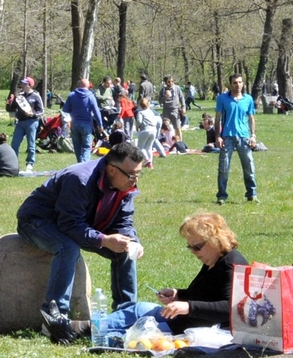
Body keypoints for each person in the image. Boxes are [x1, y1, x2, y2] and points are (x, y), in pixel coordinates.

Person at [16, 142, 146, 344]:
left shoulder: (125, 186)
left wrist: (132, 240)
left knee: (125, 250)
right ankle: (54, 317)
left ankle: (125, 316)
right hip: (37, 221)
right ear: (112, 169)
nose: (135, 179)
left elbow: (124, 221)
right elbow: (69, 225)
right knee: (67, 247)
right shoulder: (80, 179)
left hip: (81, 223)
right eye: (131, 174)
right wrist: (103, 239)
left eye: (139, 173)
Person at [93, 212, 248, 338]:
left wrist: (188, 307)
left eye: (197, 247)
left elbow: (232, 308)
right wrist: (178, 295)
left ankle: (92, 332)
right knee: (139, 309)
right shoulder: (213, 259)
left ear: (215, 241)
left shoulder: (232, 265)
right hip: (183, 319)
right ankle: (86, 325)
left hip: (193, 328)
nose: (193, 252)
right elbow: (207, 295)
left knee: (133, 334)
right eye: (190, 247)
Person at [214, 74, 258, 204]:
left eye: (239, 82)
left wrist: (253, 135)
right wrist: (218, 136)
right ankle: (221, 196)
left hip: (244, 137)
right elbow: (217, 119)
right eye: (234, 83)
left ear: (243, 84)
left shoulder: (248, 99)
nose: (237, 85)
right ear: (230, 84)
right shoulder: (222, 99)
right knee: (224, 168)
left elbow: (251, 118)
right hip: (227, 137)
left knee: (249, 167)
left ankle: (252, 194)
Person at [63, 79, 105, 163]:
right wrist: (100, 125)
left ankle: (80, 163)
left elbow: (65, 109)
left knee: (77, 146)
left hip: (75, 123)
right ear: (88, 86)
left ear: (79, 85)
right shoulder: (90, 96)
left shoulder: (72, 95)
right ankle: (85, 164)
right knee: (86, 146)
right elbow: (96, 111)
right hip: (86, 124)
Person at [9, 77, 44, 170]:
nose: (22, 85)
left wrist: (32, 114)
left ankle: (30, 163)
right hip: (20, 122)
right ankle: (14, 162)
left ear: (30, 85)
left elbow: (41, 111)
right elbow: (11, 108)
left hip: (31, 122)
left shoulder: (36, 96)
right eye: (22, 84)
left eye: (25, 84)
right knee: (15, 143)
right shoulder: (20, 96)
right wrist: (13, 99)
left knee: (31, 144)